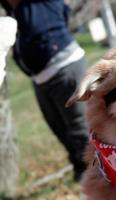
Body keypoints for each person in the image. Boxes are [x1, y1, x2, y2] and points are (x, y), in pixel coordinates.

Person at [0, 0, 89, 181]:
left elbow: (62, 11)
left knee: (79, 125)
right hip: (40, 78)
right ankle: (82, 169)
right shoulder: (13, 14)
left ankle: (98, 171)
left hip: (65, 67)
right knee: (59, 127)